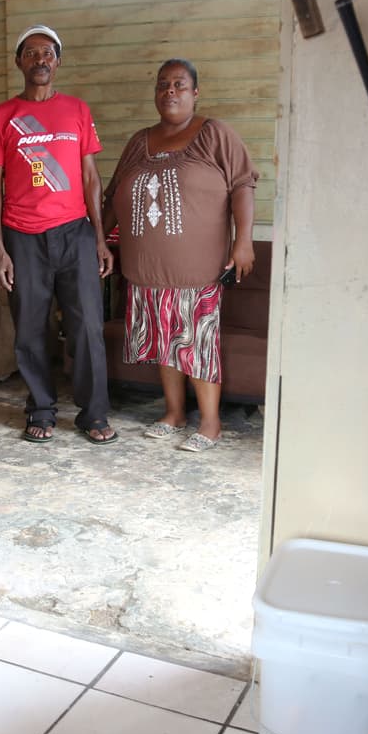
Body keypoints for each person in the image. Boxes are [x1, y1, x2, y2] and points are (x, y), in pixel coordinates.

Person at [102, 58, 259, 452]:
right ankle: (174, 414)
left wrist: (244, 241)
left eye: (179, 84)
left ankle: (210, 423)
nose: (169, 91)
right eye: (162, 85)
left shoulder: (214, 133)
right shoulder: (139, 141)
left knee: (196, 344)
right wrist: (97, 241)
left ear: (195, 92)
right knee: (163, 343)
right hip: (146, 272)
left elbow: (242, 184)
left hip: (198, 272)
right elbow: (112, 195)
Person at [0, 25, 118, 445]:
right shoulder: (2, 117)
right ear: (19, 61)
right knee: (30, 329)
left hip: (75, 233)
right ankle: (40, 410)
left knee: (88, 327)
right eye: (32, 53)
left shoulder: (77, 110)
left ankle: (93, 415)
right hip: (22, 236)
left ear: (57, 62)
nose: (41, 60)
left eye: (48, 53)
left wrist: (99, 237)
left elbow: (91, 177)